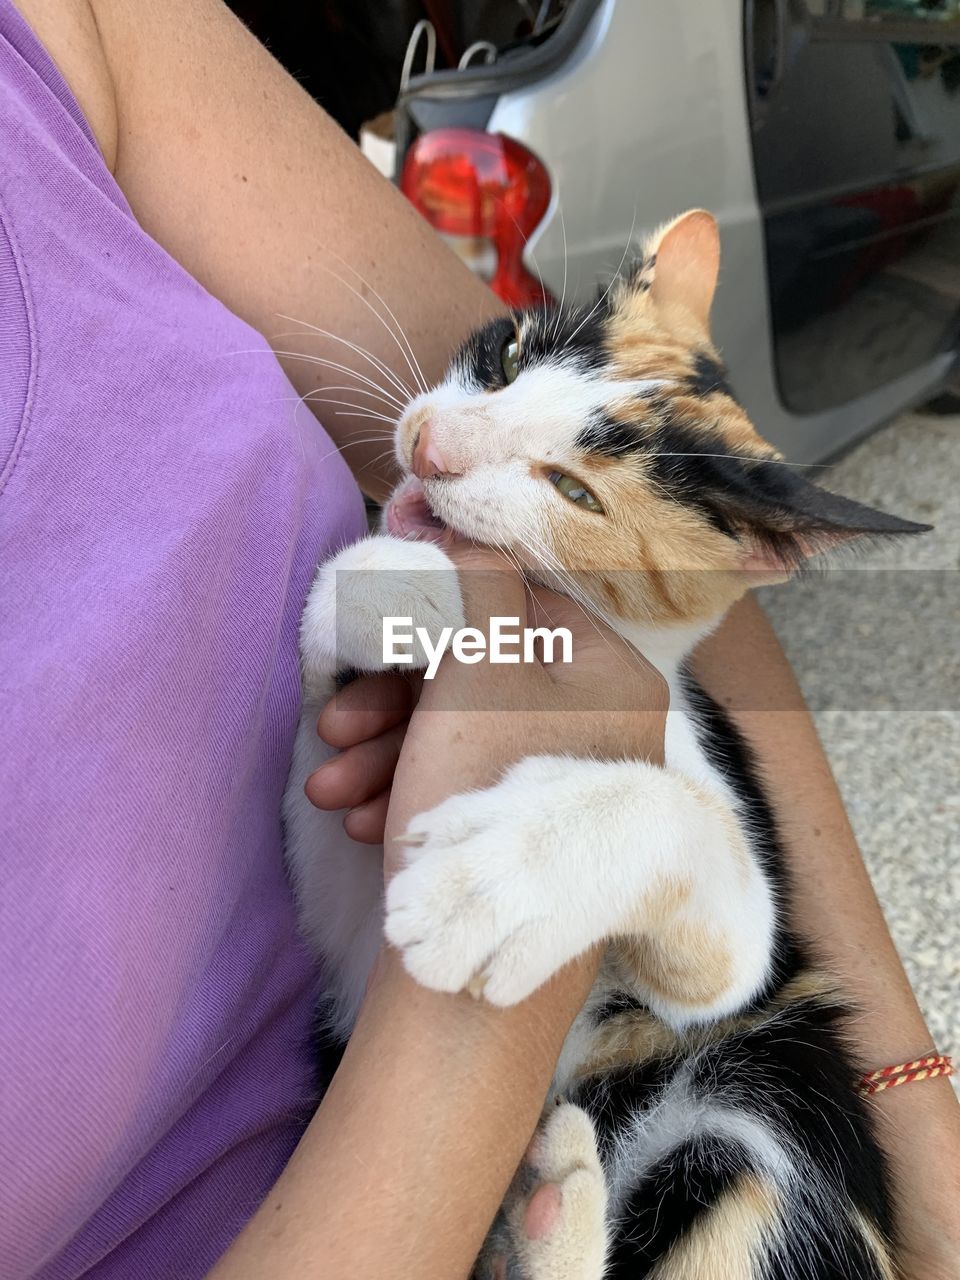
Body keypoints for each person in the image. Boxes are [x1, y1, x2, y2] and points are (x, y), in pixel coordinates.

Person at [0, 2, 955, 1278]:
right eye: (494, 366)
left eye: (565, 490)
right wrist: (438, 645)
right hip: (382, 1168)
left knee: (770, 1161)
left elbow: (721, 952)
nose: (443, 443)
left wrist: (919, 1116)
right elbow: (359, 657)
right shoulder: (428, 594)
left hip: (649, 1124)